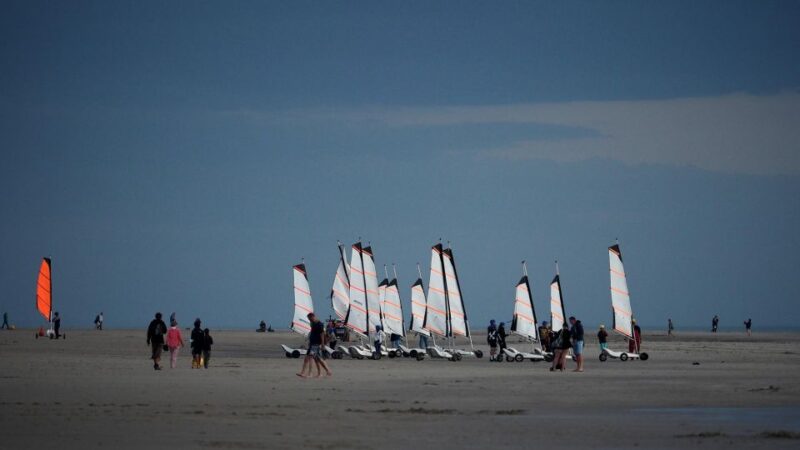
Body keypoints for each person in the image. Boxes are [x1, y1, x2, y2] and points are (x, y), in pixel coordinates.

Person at [297, 313, 332, 378]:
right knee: (316, 359)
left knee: (310, 358)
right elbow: (312, 333)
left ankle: (310, 374)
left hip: (316, 344)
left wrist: (322, 344)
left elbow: (322, 335)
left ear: (313, 317)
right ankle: (325, 372)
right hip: (312, 343)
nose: (309, 320)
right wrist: (309, 340)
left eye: (310, 319)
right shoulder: (312, 323)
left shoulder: (320, 324)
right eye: (308, 319)